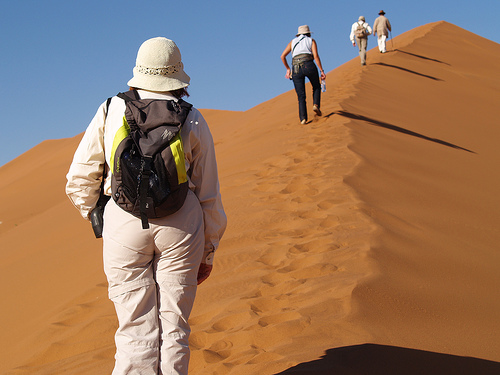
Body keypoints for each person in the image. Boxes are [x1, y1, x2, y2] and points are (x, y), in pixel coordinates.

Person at [66, 37, 227, 375]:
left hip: (123, 222)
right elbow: (209, 194)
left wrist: (98, 216)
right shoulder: (192, 118)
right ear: (177, 76)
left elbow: (79, 179)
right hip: (182, 226)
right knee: (175, 329)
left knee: (134, 329)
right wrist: (207, 252)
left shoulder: (110, 109)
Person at [281, 25, 326, 125]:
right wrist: (321, 70)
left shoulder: (292, 42)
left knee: (301, 96)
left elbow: (282, 56)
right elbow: (316, 56)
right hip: (309, 65)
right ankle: (316, 105)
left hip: (296, 68)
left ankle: (303, 119)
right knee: (316, 86)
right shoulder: (311, 41)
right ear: (308, 33)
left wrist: (288, 69)